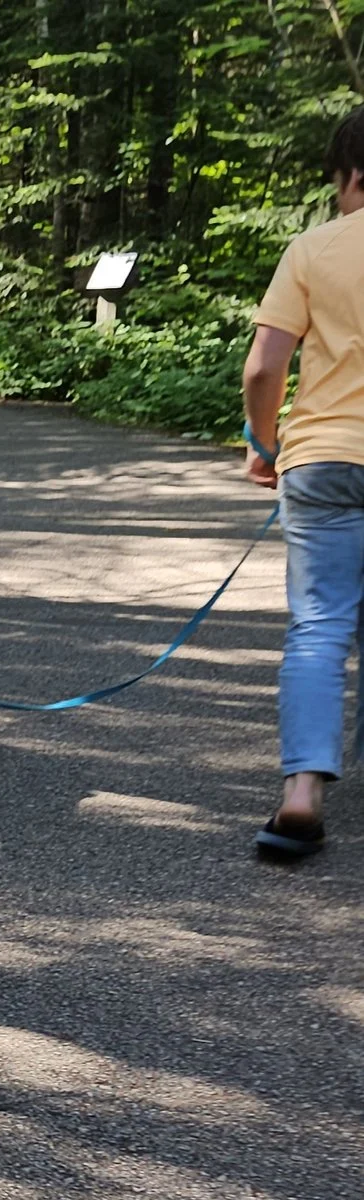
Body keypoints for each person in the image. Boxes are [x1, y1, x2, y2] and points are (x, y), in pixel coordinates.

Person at [245, 105, 364, 860]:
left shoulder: (315, 248)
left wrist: (263, 443)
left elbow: (265, 365)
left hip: (325, 456)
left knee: (320, 626)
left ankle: (301, 794)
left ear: (350, 174)